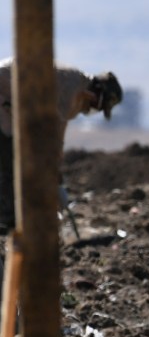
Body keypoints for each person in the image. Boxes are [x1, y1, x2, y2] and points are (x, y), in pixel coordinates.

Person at [0, 59, 123, 233]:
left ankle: (14, 217)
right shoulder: (71, 86)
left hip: (10, 105)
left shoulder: (75, 90)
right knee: (11, 159)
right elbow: (52, 132)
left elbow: (58, 133)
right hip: (4, 98)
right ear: (96, 94)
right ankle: (7, 220)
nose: (91, 110)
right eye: (98, 106)